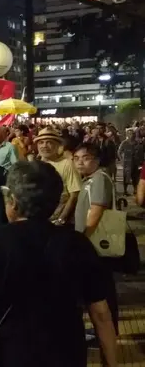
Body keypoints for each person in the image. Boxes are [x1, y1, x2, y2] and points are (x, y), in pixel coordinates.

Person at [0, 162, 118, 367]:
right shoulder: (77, 243)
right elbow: (100, 313)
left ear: (14, 201)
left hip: (6, 353)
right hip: (65, 352)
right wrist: (110, 362)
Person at [73, 143, 119, 336]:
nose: (80, 162)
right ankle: (105, 329)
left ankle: (107, 330)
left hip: (96, 244)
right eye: (76, 158)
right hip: (92, 243)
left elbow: (96, 210)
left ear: (97, 160)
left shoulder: (99, 179)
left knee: (102, 290)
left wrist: (82, 239)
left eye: (85, 158)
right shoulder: (90, 179)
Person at [35, 127, 82, 226]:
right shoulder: (35, 165)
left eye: (49, 142)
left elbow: (74, 195)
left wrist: (61, 219)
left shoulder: (67, 164)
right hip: (39, 220)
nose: (44, 146)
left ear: (57, 145)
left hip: (58, 222)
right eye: (41, 142)